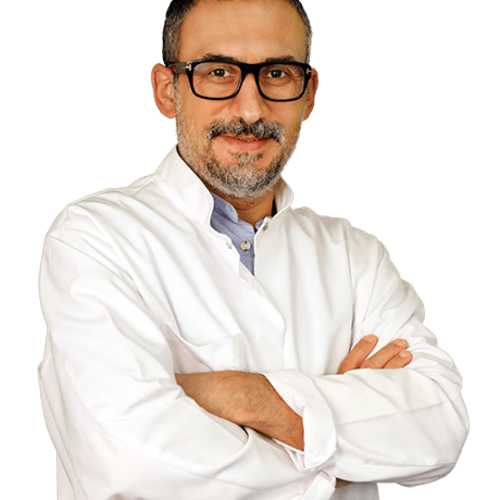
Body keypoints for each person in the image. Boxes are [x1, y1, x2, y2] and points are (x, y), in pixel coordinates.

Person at [38, 1, 469, 499]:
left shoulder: (357, 256)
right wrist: (348, 446)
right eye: (218, 72)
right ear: (167, 90)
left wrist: (247, 397)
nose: (250, 110)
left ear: (308, 94)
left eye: (277, 73)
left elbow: (441, 426)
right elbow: (135, 464)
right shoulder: (95, 238)